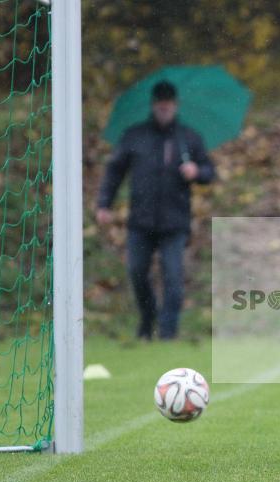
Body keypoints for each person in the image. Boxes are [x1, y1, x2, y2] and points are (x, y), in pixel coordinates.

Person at [96, 80, 215, 340]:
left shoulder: (188, 137)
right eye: (160, 104)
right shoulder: (134, 136)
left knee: (173, 278)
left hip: (175, 222)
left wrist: (196, 171)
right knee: (137, 272)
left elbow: (209, 171)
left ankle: (167, 332)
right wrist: (104, 203)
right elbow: (115, 172)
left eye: (168, 104)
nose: (164, 108)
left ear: (175, 105)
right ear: (153, 105)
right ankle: (147, 319)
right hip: (140, 221)